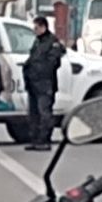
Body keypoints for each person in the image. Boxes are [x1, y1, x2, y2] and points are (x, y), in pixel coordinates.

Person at [22, 16, 65, 151]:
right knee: (33, 113)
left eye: (36, 28)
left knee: (44, 112)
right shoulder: (38, 42)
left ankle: (44, 140)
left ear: (43, 27)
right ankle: (35, 140)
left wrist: (37, 71)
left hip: (45, 83)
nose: (34, 31)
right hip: (33, 83)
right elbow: (33, 59)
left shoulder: (52, 42)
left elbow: (52, 63)